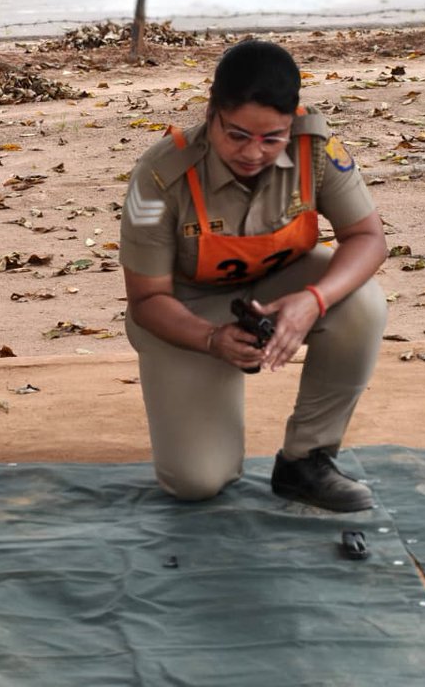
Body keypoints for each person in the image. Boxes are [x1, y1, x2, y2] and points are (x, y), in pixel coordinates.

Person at [119, 39, 387, 511]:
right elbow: (146, 300)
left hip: (280, 286)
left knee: (361, 304)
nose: (254, 153)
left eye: (272, 137)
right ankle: (211, 408)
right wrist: (211, 339)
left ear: (291, 122)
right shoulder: (161, 176)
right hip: (186, 312)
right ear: (211, 114)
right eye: (237, 135)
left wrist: (313, 301)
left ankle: (307, 459)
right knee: (197, 481)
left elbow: (367, 238)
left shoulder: (316, 148)